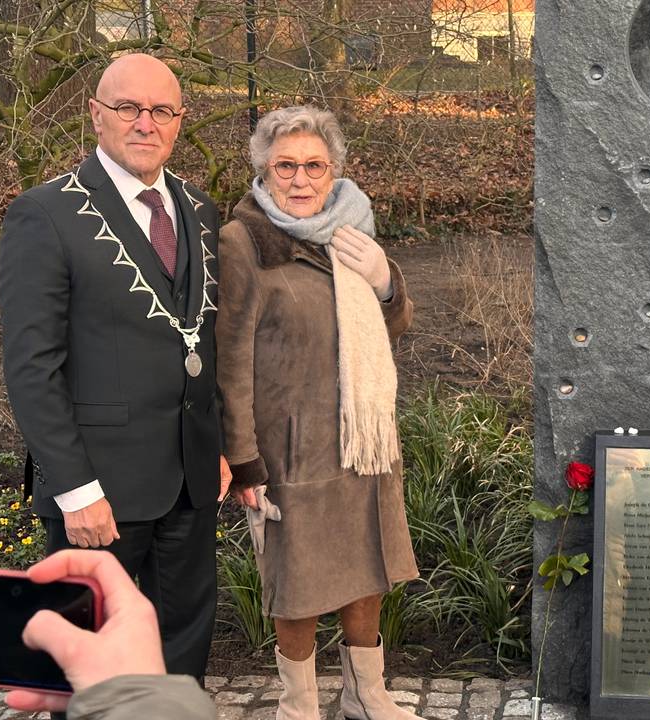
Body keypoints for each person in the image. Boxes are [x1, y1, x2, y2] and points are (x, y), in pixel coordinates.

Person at [0, 53, 228, 683]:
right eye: (128, 107)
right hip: (98, 494)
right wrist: (76, 489)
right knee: (87, 664)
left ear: (180, 122)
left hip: (189, 478)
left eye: (161, 110)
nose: (145, 123)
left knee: (182, 649)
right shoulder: (44, 214)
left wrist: (220, 446)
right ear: (97, 116)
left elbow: (207, 340)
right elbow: (31, 368)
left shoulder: (200, 211)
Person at [217, 105, 420, 720]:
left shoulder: (351, 229)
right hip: (292, 447)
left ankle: (366, 695)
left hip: (364, 441)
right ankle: (298, 705)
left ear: (334, 171)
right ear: (263, 170)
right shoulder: (245, 241)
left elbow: (393, 327)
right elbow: (231, 360)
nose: (301, 180)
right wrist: (244, 459)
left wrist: (386, 283)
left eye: (314, 166)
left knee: (367, 571)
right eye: (286, 167)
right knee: (298, 583)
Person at [5, 550, 216, 720]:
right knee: (69, 674)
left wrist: (155, 700)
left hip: (191, 503)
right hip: (101, 509)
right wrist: (75, 497)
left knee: (186, 631)